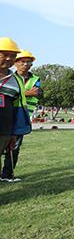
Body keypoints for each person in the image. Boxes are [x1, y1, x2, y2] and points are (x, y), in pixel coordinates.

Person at [1, 50, 40, 182]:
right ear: (16, 63)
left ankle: (7, 174)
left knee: (14, 146)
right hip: (10, 113)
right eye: (23, 61)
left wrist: (24, 92)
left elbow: (35, 92)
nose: (26, 64)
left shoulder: (34, 78)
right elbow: (18, 92)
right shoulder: (10, 77)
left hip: (21, 116)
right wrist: (26, 92)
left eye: (29, 62)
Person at [0, 38, 23, 171]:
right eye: (5, 54)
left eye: (13, 56)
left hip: (4, 129)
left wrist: (14, 133)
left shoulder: (17, 81)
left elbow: (17, 108)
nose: (9, 59)